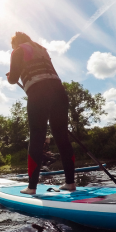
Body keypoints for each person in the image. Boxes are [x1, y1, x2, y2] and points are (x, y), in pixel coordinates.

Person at [7, 31, 76, 194]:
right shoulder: (42, 51)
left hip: (39, 93)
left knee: (37, 137)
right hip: (59, 93)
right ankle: (70, 184)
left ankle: (31, 188)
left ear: (16, 43)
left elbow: (12, 78)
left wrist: (10, 76)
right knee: (62, 138)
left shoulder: (18, 51)